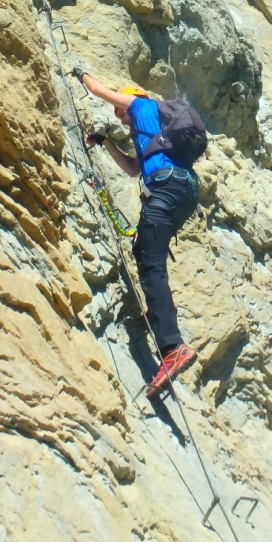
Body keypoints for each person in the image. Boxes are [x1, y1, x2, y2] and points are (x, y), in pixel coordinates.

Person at [73, 71, 199, 397]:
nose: (119, 114)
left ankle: (172, 346)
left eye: (120, 109)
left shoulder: (142, 105)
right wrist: (106, 142)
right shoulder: (151, 134)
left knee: (150, 260)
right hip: (183, 192)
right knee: (145, 248)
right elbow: (133, 169)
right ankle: (159, 315)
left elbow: (98, 90)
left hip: (166, 189)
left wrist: (81, 75)